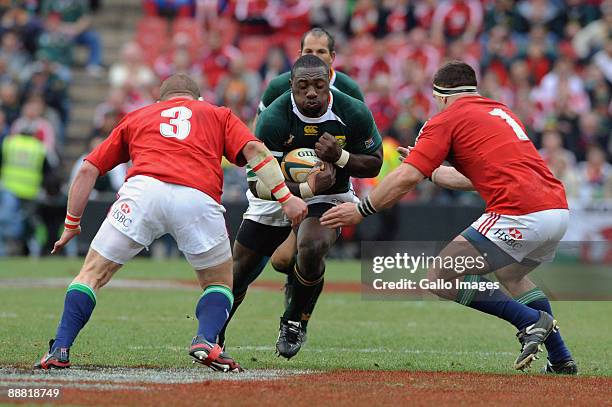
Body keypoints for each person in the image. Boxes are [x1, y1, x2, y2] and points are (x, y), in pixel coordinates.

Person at [34, 73, 307, 371]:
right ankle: (205, 339)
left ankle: (59, 348)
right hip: (197, 197)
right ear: (198, 99)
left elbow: (88, 168)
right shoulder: (217, 114)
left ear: (160, 101)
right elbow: (255, 151)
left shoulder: (140, 115)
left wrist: (72, 224)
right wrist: (286, 198)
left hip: (143, 193)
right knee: (218, 283)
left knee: (91, 275)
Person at [321, 61, 577, 374]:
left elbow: (404, 178)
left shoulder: (445, 119)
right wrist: (431, 172)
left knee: (440, 276)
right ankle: (561, 359)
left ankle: (530, 321)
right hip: (556, 209)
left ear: (440, 96)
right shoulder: (500, 111)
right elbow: (479, 176)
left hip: (519, 211)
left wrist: (361, 209)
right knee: (511, 275)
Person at [221, 55, 382, 359]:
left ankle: (293, 319)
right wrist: (306, 188)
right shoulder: (274, 118)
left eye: (319, 86)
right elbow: (258, 184)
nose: (311, 93)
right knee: (240, 269)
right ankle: (214, 334)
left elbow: (374, 164)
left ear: (329, 83)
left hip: (330, 194)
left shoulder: (353, 111)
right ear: (291, 86)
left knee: (312, 246)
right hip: (277, 192)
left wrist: (341, 157)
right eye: (303, 87)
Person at [249, 27, 367, 337]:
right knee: (281, 260)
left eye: (320, 53)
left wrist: (337, 163)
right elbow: (259, 139)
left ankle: (297, 315)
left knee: (309, 249)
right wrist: (293, 176)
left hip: (331, 188)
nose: (313, 57)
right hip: (286, 185)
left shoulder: (350, 93)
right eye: (307, 53)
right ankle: (301, 282)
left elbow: (364, 149)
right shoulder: (277, 89)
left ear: (332, 60)